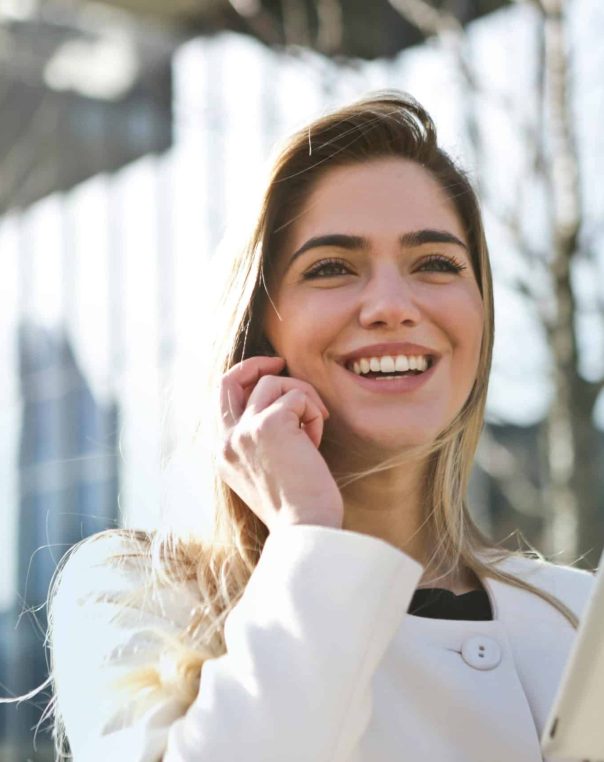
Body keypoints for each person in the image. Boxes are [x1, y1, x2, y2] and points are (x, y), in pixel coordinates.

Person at [47, 91, 595, 761]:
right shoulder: (137, 597)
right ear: (256, 330)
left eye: (436, 264)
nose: (393, 306)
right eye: (332, 267)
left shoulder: (575, 616)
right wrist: (307, 534)